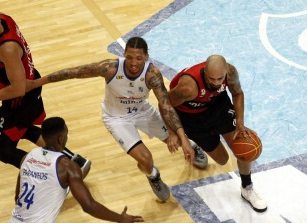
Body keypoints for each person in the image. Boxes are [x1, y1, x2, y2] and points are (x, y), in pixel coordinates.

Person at [26, 37, 208, 202]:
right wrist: (37, 83)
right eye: (129, 57)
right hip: (116, 118)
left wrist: (181, 138)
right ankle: (153, 176)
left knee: (173, 137)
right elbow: (75, 72)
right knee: (146, 160)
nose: (134, 63)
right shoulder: (110, 68)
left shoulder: (152, 74)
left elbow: (166, 106)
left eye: (138, 58)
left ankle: (191, 145)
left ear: (146, 56)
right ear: (124, 55)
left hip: (142, 111)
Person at [7, 116, 144, 223]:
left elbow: (18, 198)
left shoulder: (28, 157)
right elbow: (89, 206)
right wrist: (120, 218)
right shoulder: (67, 166)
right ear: (61, 138)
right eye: (67, 134)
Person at [0, 5, 91, 177]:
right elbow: (9, 55)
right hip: (27, 87)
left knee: (4, 150)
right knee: (24, 128)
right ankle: (76, 162)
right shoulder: (4, 18)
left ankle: (59, 173)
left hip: (20, 96)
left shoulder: (7, 49)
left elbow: (18, 89)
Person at [167, 54, 267, 212]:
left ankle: (247, 187)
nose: (215, 82)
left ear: (225, 73)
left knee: (243, 148)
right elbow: (165, 105)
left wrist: (240, 123)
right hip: (192, 117)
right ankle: (191, 142)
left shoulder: (230, 72)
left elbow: (237, 93)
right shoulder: (188, 88)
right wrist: (176, 135)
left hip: (217, 105)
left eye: (219, 79)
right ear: (205, 71)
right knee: (222, 159)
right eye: (211, 79)